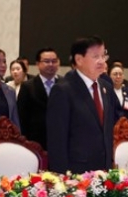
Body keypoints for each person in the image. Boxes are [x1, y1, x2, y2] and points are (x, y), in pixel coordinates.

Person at [46, 36, 114, 173]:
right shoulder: (63, 90)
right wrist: (61, 178)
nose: (102, 61)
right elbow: (57, 141)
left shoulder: (106, 87)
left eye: (103, 56)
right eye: (95, 56)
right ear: (79, 59)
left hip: (104, 172)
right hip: (76, 173)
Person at [16, 47, 60, 149]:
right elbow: (21, 117)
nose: (51, 64)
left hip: (60, 140)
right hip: (35, 141)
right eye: (46, 61)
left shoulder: (65, 85)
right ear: (37, 64)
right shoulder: (27, 86)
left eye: (54, 61)